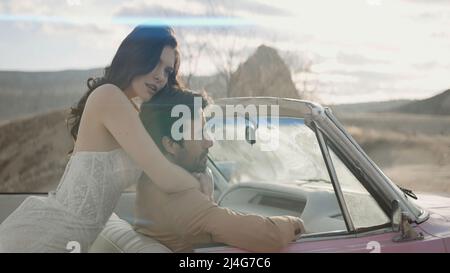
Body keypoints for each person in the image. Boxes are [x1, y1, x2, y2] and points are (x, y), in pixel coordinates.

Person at [0, 25, 201, 253]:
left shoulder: (129, 112)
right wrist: (201, 184)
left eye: (167, 71)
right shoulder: (109, 96)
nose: (160, 77)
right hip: (45, 236)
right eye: (155, 62)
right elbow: (164, 175)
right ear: (136, 56)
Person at [135, 87, 305, 252]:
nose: (210, 142)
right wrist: (297, 224)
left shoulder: (148, 181)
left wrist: (205, 197)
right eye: (200, 133)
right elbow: (269, 236)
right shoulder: (180, 198)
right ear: (171, 144)